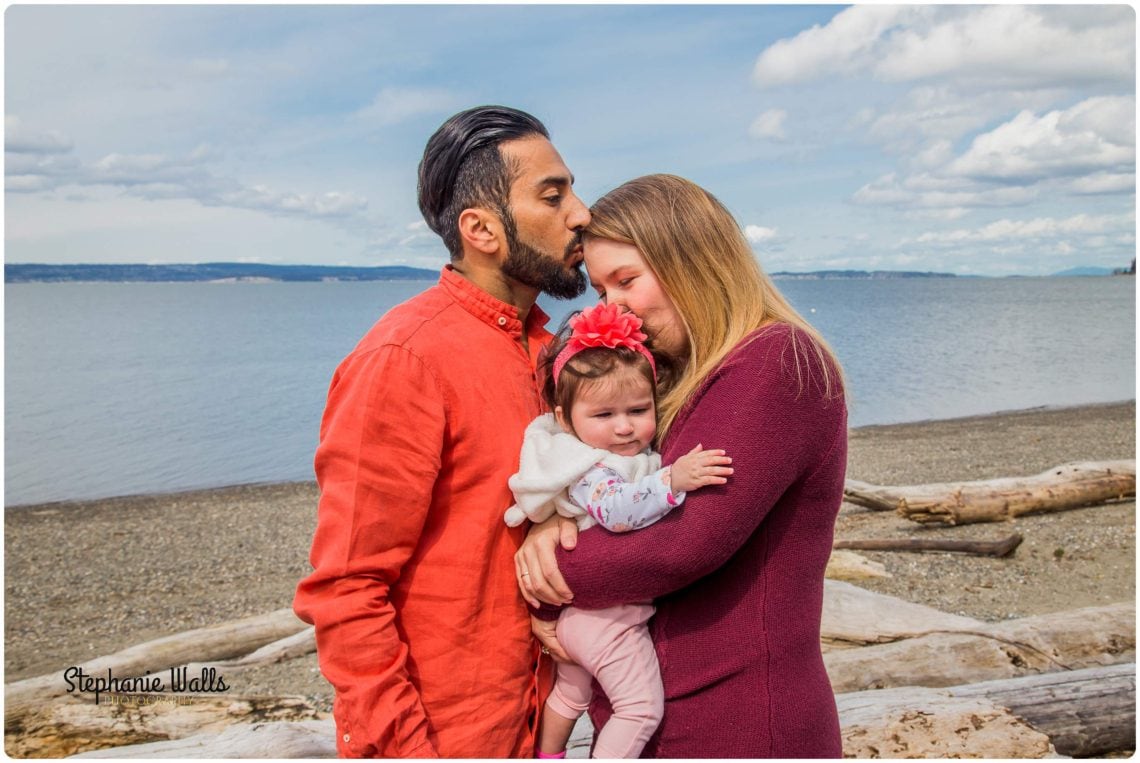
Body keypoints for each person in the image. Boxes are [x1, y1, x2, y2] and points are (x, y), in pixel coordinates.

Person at [515, 174, 848, 758]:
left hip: (742, 721)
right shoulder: (687, 374)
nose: (614, 308)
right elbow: (632, 500)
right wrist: (556, 524)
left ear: (695, 262)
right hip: (684, 716)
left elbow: (683, 544)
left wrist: (543, 576)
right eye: (600, 290)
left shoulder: (777, 362)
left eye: (627, 280)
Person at [293, 105, 590, 758]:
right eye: (553, 194)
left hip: (545, 729)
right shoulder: (404, 358)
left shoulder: (559, 354)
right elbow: (347, 588)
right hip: (446, 737)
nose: (581, 213)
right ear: (481, 228)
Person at [503, 302, 733, 759]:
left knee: (571, 695)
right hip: (606, 619)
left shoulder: (613, 454)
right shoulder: (591, 468)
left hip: (580, 620)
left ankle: (547, 755)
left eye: (638, 409)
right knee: (640, 709)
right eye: (604, 416)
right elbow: (615, 511)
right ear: (566, 420)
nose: (625, 427)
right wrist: (673, 480)